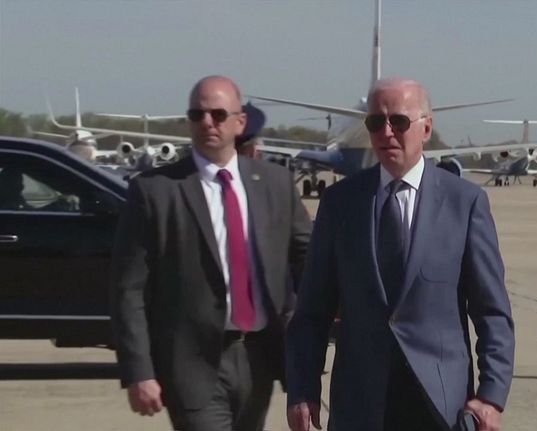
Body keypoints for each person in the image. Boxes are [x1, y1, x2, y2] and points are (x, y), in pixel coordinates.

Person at [286, 77, 515, 431]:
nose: (387, 132)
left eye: (399, 121)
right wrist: (303, 388)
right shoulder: (340, 203)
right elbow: (312, 311)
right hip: (360, 405)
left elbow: (492, 312)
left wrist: (491, 396)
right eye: (376, 122)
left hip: (440, 405)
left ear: (426, 128)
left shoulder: (464, 203)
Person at [110, 75, 312, 430]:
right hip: (192, 363)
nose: (207, 123)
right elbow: (129, 289)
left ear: (240, 122)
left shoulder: (275, 183)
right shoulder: (155, 191)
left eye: (218, 114)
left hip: (259, 357)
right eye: (197, 115)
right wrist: (139, 370)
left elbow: (309, 260)